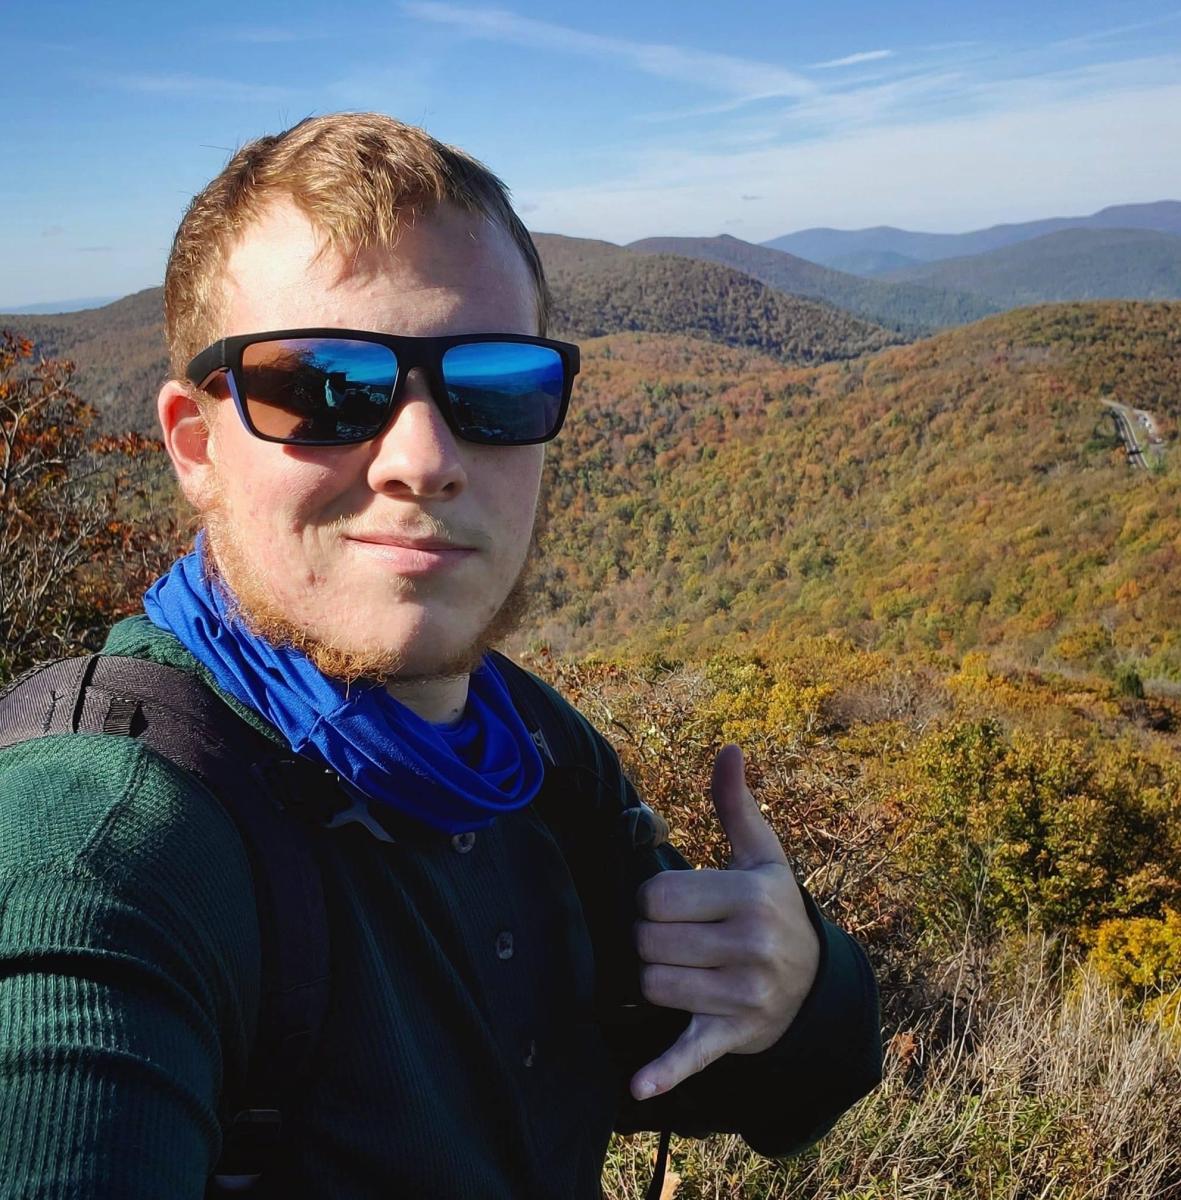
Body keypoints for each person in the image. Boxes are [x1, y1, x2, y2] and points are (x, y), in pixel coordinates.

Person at [0, 113, 881, 1198]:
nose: (424, 458)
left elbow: (736, 1088)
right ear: (194, 443)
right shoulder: (103, 842)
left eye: (491, 386)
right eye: (323, 388)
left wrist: (797, 988)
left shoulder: (533, 757)